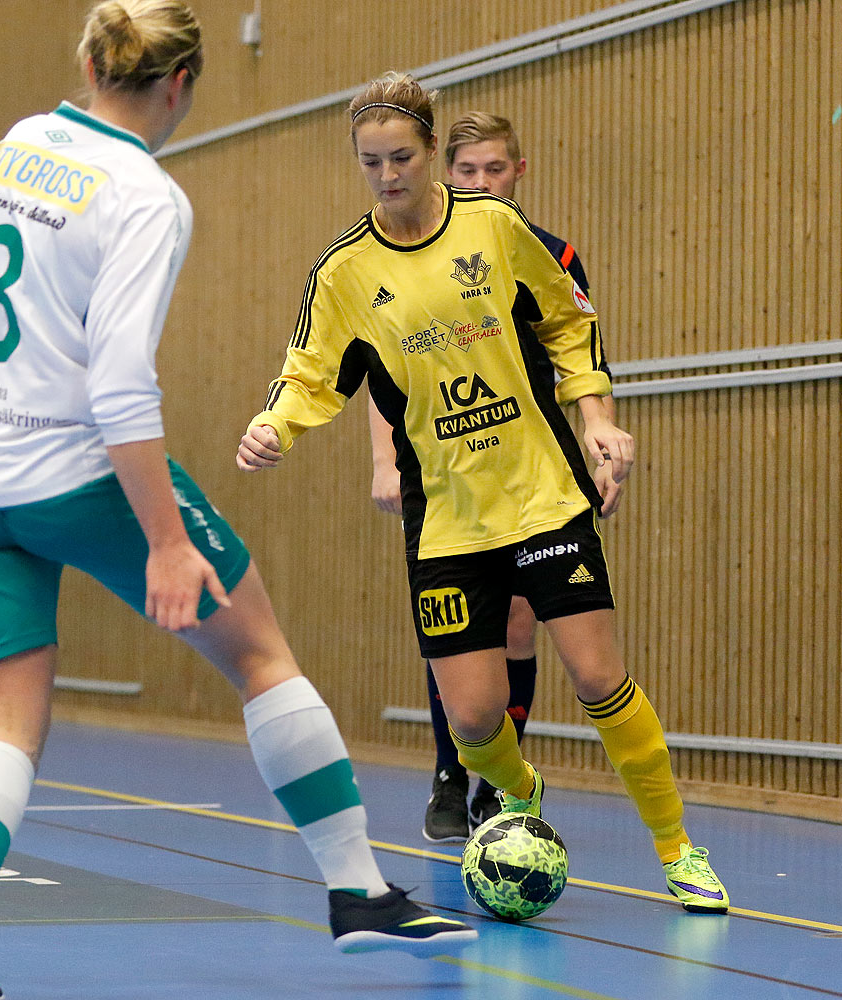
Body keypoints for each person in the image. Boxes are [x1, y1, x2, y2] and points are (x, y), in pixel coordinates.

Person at [0, 9, 474, 997]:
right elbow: (120, 386)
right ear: (181, 87)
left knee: (4, 724)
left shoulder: (19, 143)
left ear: (87, 63)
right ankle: (355, 889)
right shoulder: (145, 196)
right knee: (259, 654)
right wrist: (167, 542)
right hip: (74, 472)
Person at [238, 72, 729, 915]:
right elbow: (311, 376)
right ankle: (519, 786)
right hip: (448, 523)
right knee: (472, 722)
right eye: (371, 162)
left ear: (432, 153)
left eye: (401, 157)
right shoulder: (346, 274)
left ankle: (678, 847)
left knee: (597, 677)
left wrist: (597, 420)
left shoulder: (495, 230)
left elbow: (568, 323)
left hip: (541, 497)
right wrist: (276, 425)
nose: (388, 174)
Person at [366, 111, 623, 842]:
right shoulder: (408, 251)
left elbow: (577, 356)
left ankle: (499, 784)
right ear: (448, 173)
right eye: (468, 171)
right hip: (449, 477)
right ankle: (452, 768)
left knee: (521, 621)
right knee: (466, 631)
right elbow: (386, 371)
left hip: (532, 472)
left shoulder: (548, 254)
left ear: (519, 173)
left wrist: (596, 441)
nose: (482, 183)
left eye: (496, 170)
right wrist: (384, 460)